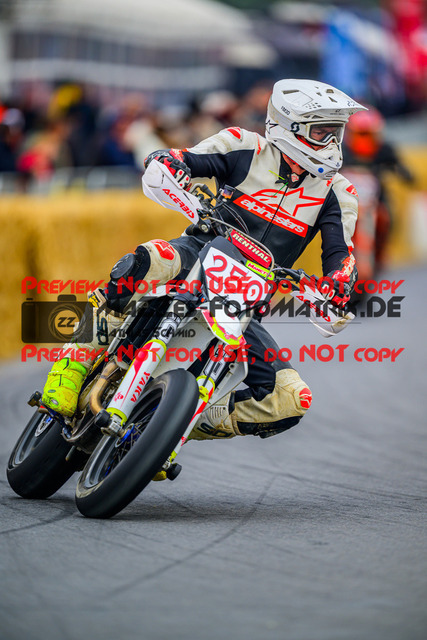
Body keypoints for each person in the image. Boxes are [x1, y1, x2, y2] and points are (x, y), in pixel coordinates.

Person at [42, 79, 365, 445]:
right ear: (289, 126)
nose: (332, 142)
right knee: (146, 260)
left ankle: (174, 426)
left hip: (244, 298)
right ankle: (73, 363)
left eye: (336, 132)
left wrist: (339, 280)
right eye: (322, 131)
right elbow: (184, 158)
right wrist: (171, 163)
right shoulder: (243, 144)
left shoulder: (339, 191)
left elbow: (340, 253)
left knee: (291, 399)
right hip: (199, 252)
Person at [343, 107, 414, 271]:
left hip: (375, 197)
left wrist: (404, 174)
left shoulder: (384, 149)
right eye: (361, 134)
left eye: (368, 134)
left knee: (386, 218)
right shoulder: (341, 150)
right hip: (347, 198)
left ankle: (380, 252)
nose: (364, 139)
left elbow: (400, 167)